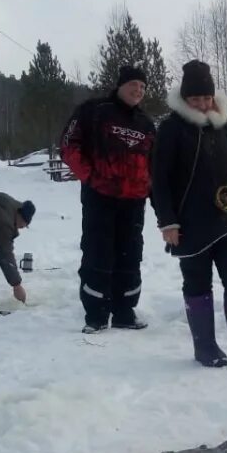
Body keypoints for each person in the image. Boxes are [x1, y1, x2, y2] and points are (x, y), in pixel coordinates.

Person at [151, 60, 227, 368]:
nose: (203, 105)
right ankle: (205, 346)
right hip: (189, 223)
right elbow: (159, 180)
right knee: (198, 282)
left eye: (206, 98)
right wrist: (167, 221)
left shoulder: (226, 127)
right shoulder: (171, 129)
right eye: (195, 100)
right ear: (185, 98)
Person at [60, 65, 156, 333]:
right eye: (133, 85)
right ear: (120, 85)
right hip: (100, 197)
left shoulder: (146, 124)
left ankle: (125, 312)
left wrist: (153, 193)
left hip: (134, 201)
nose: (138, 90)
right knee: (97, 253)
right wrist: (90, 177)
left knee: (130, 256)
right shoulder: (94, 110)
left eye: (143, 87)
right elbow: (68, 145)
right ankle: (96, 314)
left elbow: (154, 164)